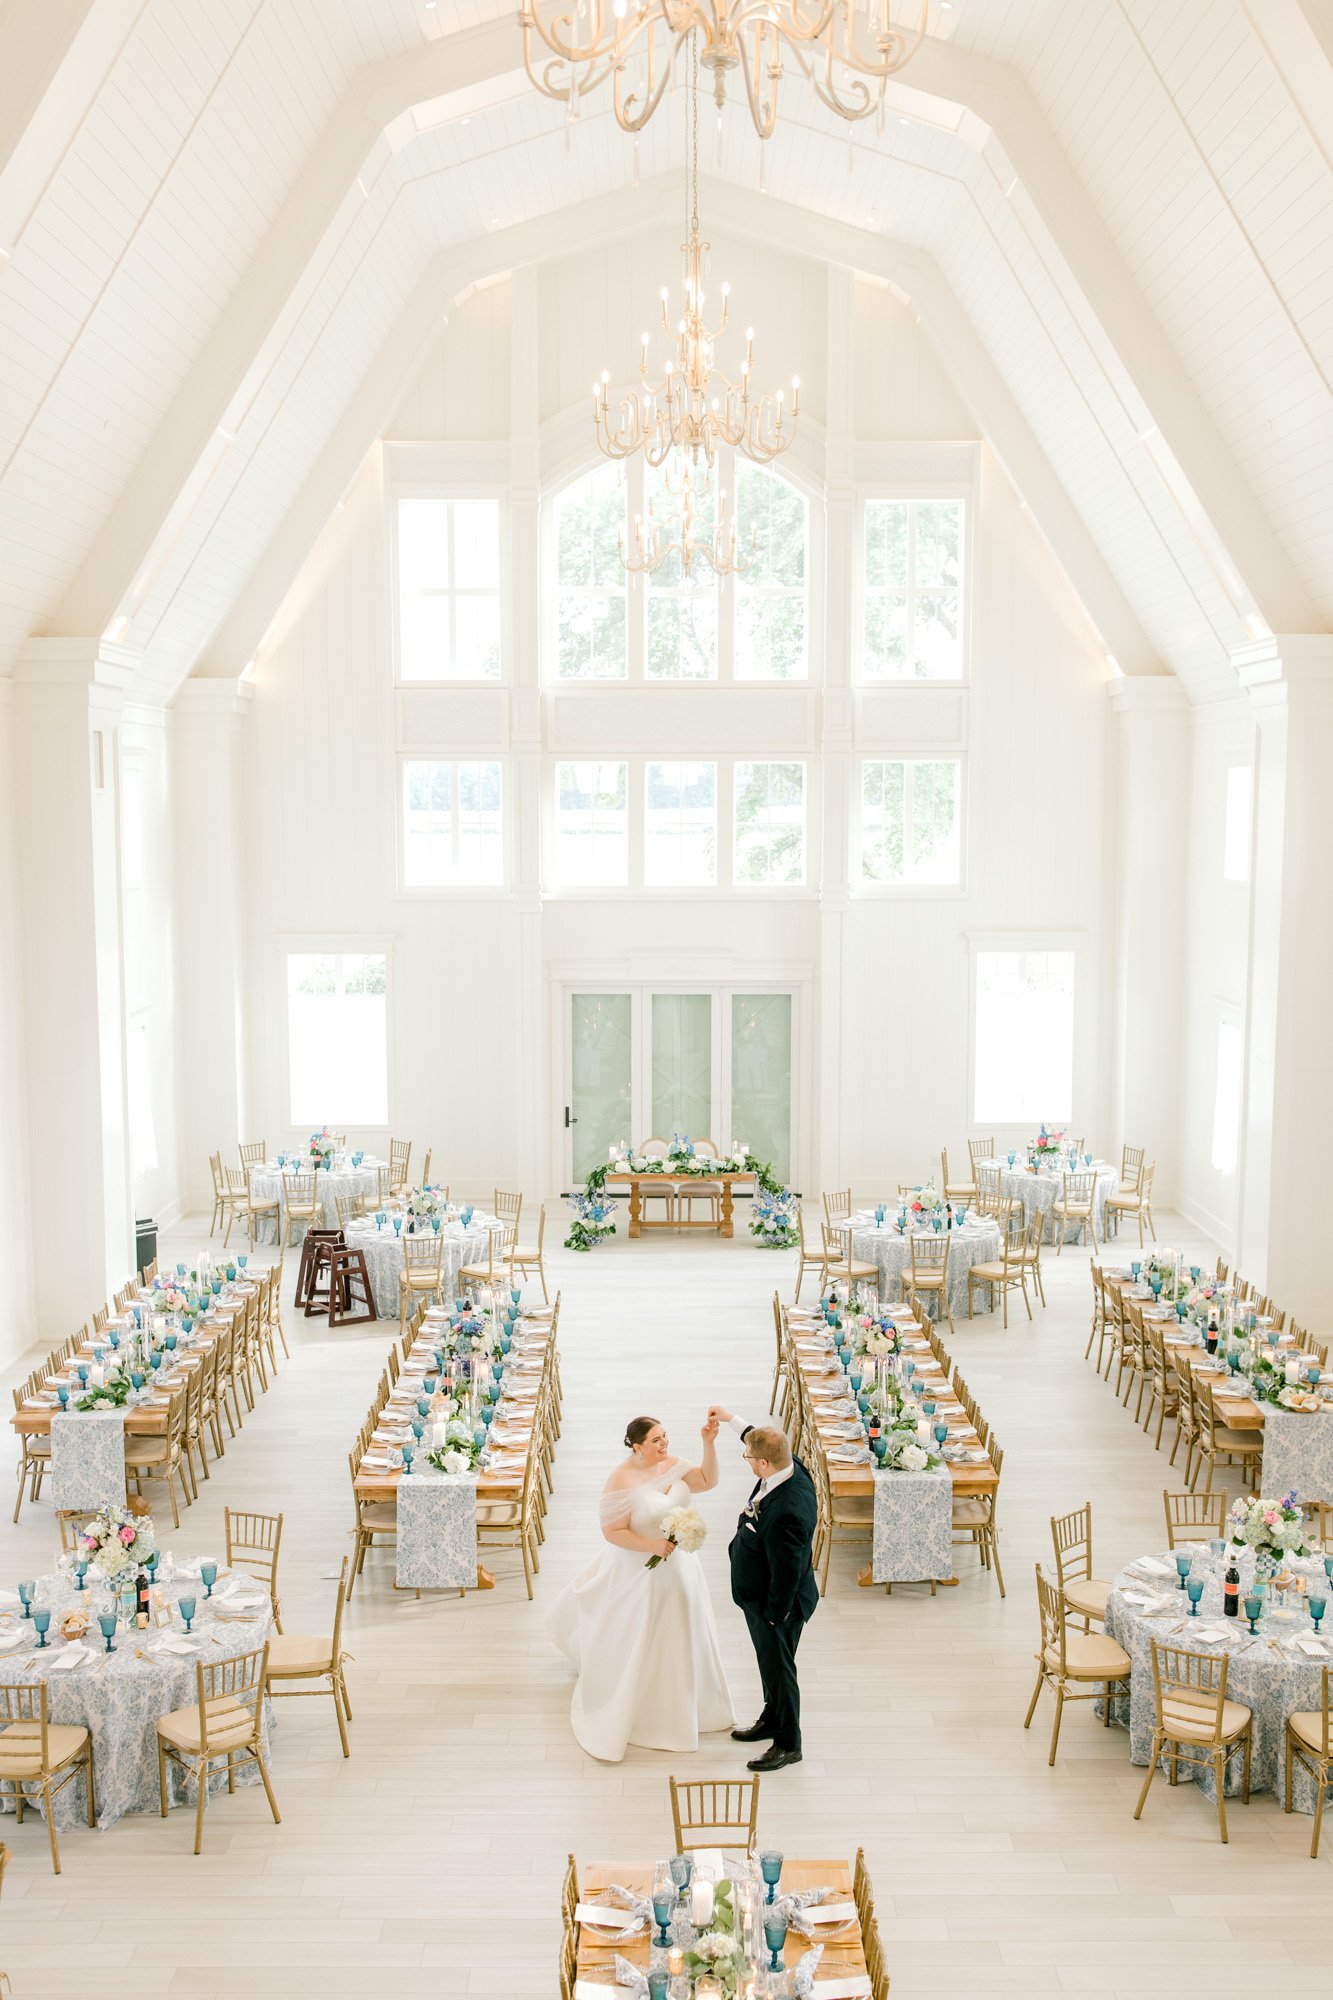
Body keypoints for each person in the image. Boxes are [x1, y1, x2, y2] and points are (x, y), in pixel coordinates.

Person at [546, 1413, 735, 1761]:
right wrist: (653, 1546)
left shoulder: (674, 1465)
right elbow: (611, 1532)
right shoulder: (622, 1479)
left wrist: (709, 1443)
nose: (665, 1444)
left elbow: (707, 1480)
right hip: (641, 1568)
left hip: (681, 1568)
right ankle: (646, 1711)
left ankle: (689, 1704)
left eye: (665, 1436)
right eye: (656, 1441)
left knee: (684, 1632)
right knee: (643, 1636)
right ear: (637, 1447)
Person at [708, 1409, 819, 1772]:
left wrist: (773, 1615)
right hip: (763, 1599)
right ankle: (771, 1718)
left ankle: (788, 1743)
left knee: (780, 1671)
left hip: (778, 1607)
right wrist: (731, 1419)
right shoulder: (790, 1464)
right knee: (769, 1667)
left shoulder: (787, 1511)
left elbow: (787, 1572)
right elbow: (758, 1436)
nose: (748, 1462)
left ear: (763, 1465)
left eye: (749, 1459)